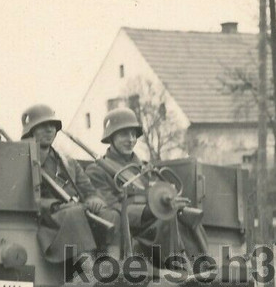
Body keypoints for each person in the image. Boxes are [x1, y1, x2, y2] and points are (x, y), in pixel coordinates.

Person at [85, 107, 204, 262]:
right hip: (130, 228)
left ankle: (201, 262)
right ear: (111, 138)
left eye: (133, 134)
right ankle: (177, 266)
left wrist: (168, 200)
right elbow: (111, 208)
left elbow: (157, 193)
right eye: (124, 134)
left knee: (188, 217)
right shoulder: (97, 170)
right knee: (167, 219)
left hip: (151, 221)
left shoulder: (145, 167)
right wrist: (149, 211)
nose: (131, 139)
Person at [21, 104, 120, 264]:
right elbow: (22, 197)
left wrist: (93, 199)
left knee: (112, 215)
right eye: (43, 126)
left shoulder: (67, 161)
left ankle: (112, 267)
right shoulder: (21, 160)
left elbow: (88, 189)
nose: (49, 130)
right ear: (31, 130)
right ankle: (89, 271)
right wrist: (54, 205)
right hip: (47, 219)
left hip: (74, 211)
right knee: (74, 213)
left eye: (53, 126)